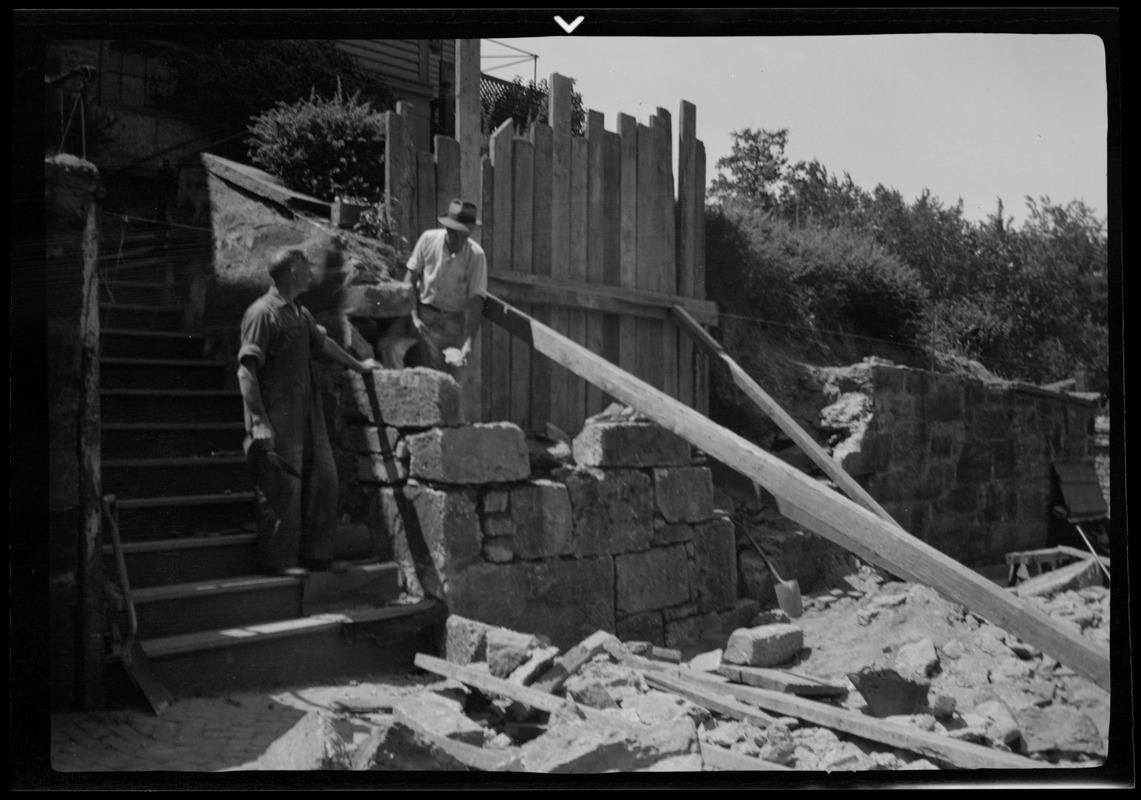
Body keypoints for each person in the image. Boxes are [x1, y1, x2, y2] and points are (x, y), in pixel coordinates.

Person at [238, 246, 382, 577]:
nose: (311, 275)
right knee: (282, 487)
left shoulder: (300, 313)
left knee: (325, 480)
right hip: (276, 415)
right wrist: (258, 421)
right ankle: (279, 562)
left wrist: (360, 365)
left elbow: (324, 343)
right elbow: (246, 370)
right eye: (306, 269)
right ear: (290, 274)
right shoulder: (261, 314)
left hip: (307, 413)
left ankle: (319, 556)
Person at [403, 198, 487, 379]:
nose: (460, 240)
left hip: (452, 324)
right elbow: (409, 280)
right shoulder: (428, 240)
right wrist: (414, 316)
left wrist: (468, 342)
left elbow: (476, 300)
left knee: (449, 381)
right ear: (446, 228)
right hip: (423, 317)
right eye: (455, 234)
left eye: (465, 235)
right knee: (422, 374)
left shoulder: (476, 256)